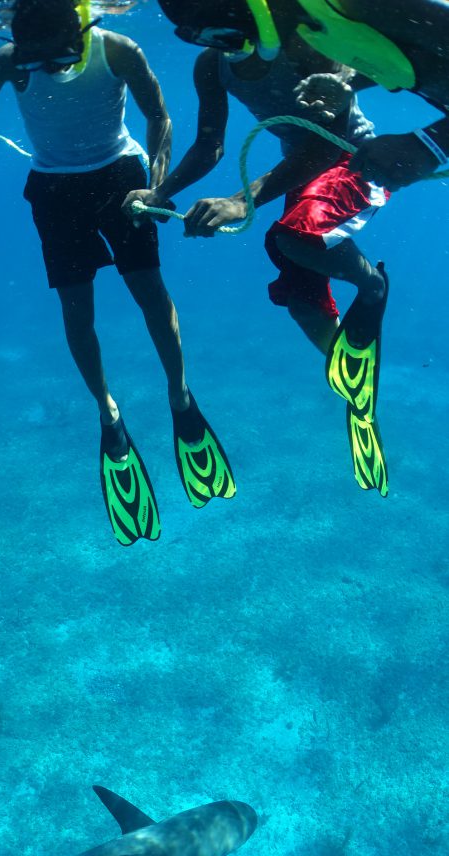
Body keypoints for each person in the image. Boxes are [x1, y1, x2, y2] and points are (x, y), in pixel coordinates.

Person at [0, 0, 236, 546]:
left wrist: (157, 184)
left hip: (120, 177)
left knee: (151, 293)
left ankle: (180, 395)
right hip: (54, 191)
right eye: (33, 59)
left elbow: (159, 115)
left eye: (53, 55)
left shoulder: (117, 49)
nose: (42, 67)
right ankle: (108, 411)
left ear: (79, 32)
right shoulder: (9, 60)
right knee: (77, 311)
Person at [130, 0, 391, 495]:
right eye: (197, 37)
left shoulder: (300, 42)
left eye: (225, 35)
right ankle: (356, 388)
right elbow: (211, 145)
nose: (216, 48)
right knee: (297, 292)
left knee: (295, 237)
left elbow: (333, 132)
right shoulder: (212, 65)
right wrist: (160, 194)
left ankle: (372, 286)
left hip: (360, 163)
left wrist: (239, 202)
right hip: (303, 173)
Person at [154, 0, 449, 192]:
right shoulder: (309, 25)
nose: (238, 47)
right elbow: (402, 58)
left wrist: (428, 146)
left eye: (228, 33)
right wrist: (348, 81)